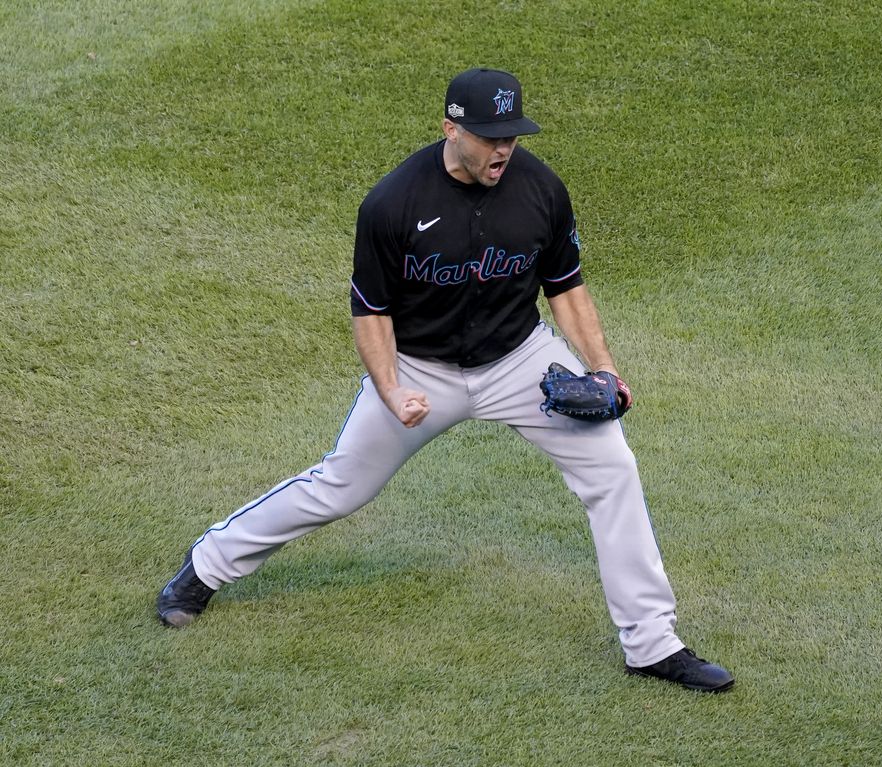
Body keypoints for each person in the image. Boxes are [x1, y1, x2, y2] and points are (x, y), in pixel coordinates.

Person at [156, 68, 734, 693]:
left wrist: (603, 368)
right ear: (450, 129)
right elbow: (371, 313)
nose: (503, 148)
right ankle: (206, 565)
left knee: (613, 471)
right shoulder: (392, 204)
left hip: (521, 362)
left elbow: (565, 287)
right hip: (420, 368)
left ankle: (651, 643)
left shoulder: (540, 188)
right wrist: (390, 389)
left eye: (511, 134)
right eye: (489, 136)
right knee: (340, 486)